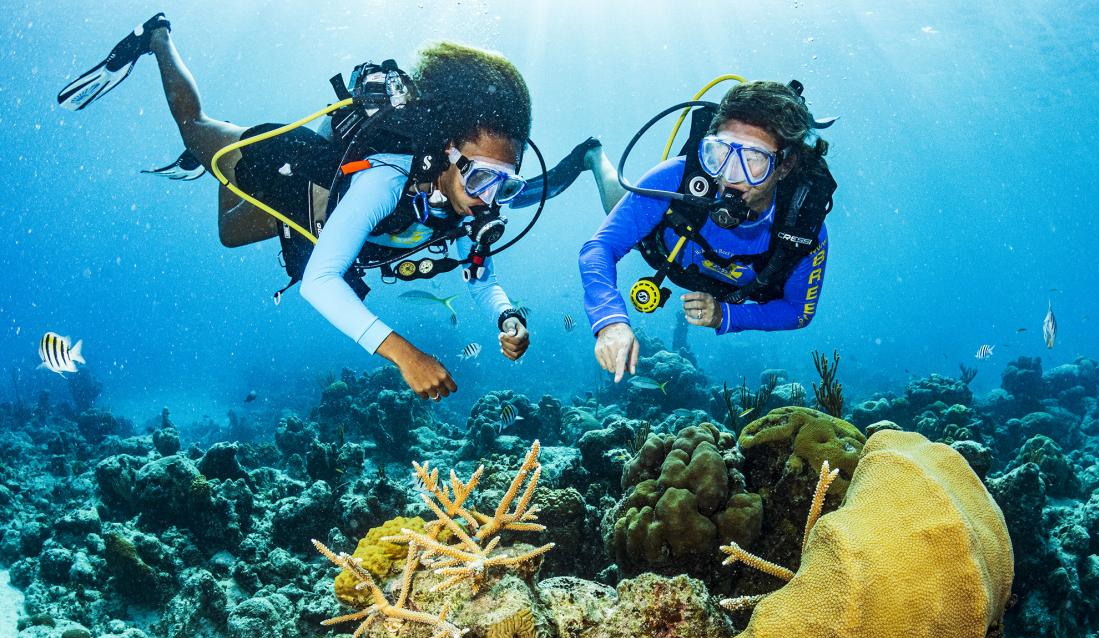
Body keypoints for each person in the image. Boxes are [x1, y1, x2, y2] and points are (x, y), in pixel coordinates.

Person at [57, 15, 615, 400]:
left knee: (228, 233)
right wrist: (405, 356)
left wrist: (506, 315)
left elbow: (480, 276)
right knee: (197, 131)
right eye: (482, 177)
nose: (490, 198)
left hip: (317, 219)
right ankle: (159, 39)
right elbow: (320, 282)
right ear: (447, 152)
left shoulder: (473, 201)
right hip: (292, 175)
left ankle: (215, 164)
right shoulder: (388, 177)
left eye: (506, 183)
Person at [578, 80, 836, 382]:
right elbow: (599, 247)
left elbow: (798, 311)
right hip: (663, 247)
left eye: (754, 160)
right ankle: (594, 154)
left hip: (723, 286)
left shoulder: (803, 230)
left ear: (786, 164)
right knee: (616, 206)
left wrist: (726, 315)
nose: (730, 174)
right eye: (720, 152)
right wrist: (609, 320)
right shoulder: (674, 177)